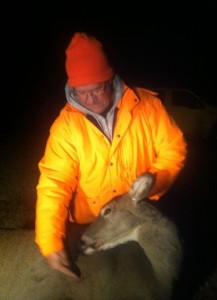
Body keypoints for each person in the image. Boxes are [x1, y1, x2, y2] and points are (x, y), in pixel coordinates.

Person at [35, 32, 187, 279]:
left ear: (109, 79)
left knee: (149, 280)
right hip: (92, 225)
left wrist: (155, 179)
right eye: (80, 92)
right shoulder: (66, 126)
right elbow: (54, 182)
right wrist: (49, 240)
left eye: (95, 89)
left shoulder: (147, 106)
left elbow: (174, 149)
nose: (89, 99)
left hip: (139, 216)